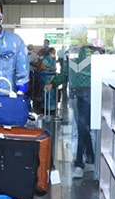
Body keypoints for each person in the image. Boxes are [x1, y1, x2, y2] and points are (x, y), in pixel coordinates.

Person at [45, 43, 105, 178]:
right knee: (83, 128)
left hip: (88, 93)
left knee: (83, 127)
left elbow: (66, 74)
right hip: (78, 94)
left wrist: (54, 83)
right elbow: (66, 74)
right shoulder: (75, 53)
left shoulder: (90, 53)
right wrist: (53, 83)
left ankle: (80, 163)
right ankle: (90, 158)